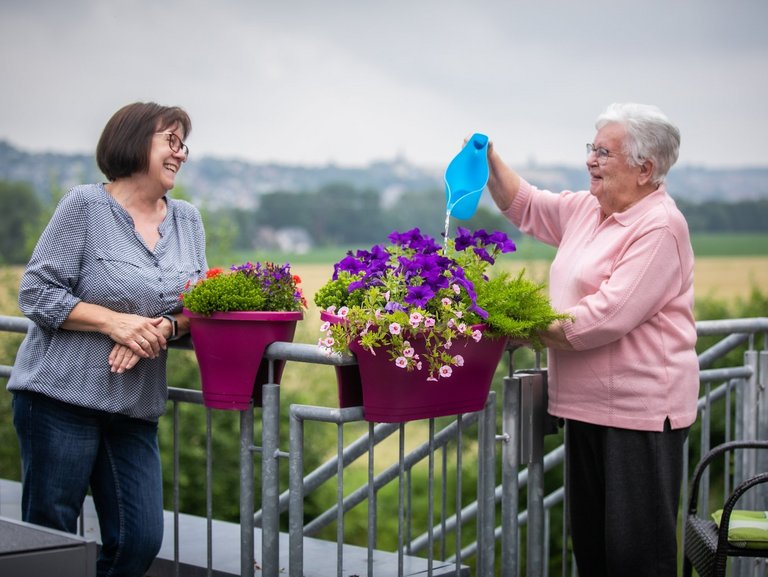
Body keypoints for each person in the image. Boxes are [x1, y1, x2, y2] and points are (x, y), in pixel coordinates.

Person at [486, 103, 699, 577]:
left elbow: (602, 318)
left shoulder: (660, 226)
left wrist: (517, 325)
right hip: (584, 407)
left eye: (604, 152)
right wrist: (488, 160)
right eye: (592, 148)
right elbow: (526, 205)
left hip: (638, 414)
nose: (591, 161)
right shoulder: (588, 208)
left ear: (645, 169)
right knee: (594, 553)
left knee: (636, 559)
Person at [8, 102, 207, 577]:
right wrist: (114, 323)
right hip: (59, 399)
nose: (181, 153)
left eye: (184, 143)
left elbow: (199, 304)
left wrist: (166, 326)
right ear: (137, 142)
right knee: (50, 539)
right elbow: (36, 292)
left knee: (139, 541)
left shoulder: (187, 221)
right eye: (171, 140)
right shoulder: (85, 205)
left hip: (134, 407)